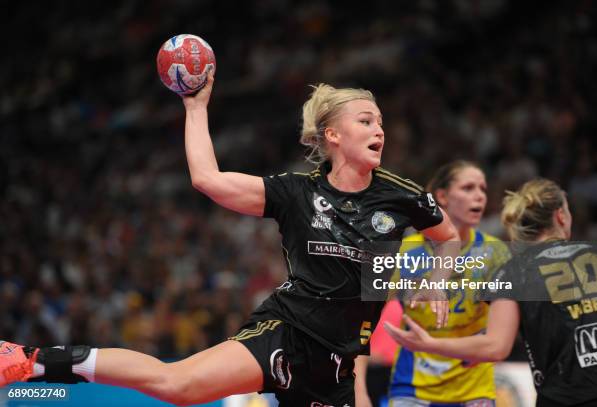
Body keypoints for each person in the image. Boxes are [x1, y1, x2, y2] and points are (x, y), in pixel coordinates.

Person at [0, 70, 460, 407]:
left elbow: (449, 238)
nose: (379, 129)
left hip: (337, 362)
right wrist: (195, 106)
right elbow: (206, 178)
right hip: (288, 332)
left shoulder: (403, 196)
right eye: (365, 120)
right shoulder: (295, 191)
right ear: (333, 135)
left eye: (380, 121)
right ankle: (28, 359)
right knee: (177, 386)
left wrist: (438, 279)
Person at [385, 179, 597, 407]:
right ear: (561, 216)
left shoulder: (514, 271)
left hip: (563, 398)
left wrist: (428, 344)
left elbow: (496, 346)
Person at [360, 161, 511, 406]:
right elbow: (359, 323)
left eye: (482, 189)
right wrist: (358, 391)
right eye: (468, 188)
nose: (479, 196)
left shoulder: (495, 252)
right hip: (412, 390)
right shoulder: (401, 252)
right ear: (442, 196)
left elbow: (502, 336)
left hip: (474, 391)